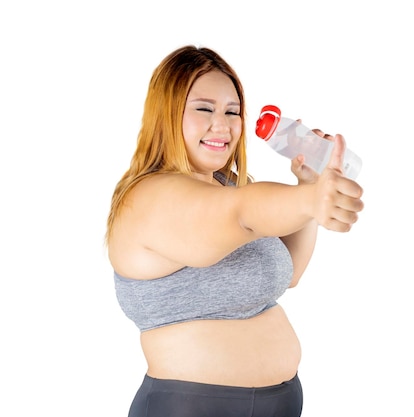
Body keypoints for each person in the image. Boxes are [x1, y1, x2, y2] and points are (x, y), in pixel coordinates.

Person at [105, 45, 364, 417]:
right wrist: (309, 199)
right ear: (166, 114)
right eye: (204, 109)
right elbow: (243, 213)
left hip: (281, 404)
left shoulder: (226, 185)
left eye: (233, 111)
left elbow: (289, 273)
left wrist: (307, 185)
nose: (222, 125)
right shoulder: (149, 197)